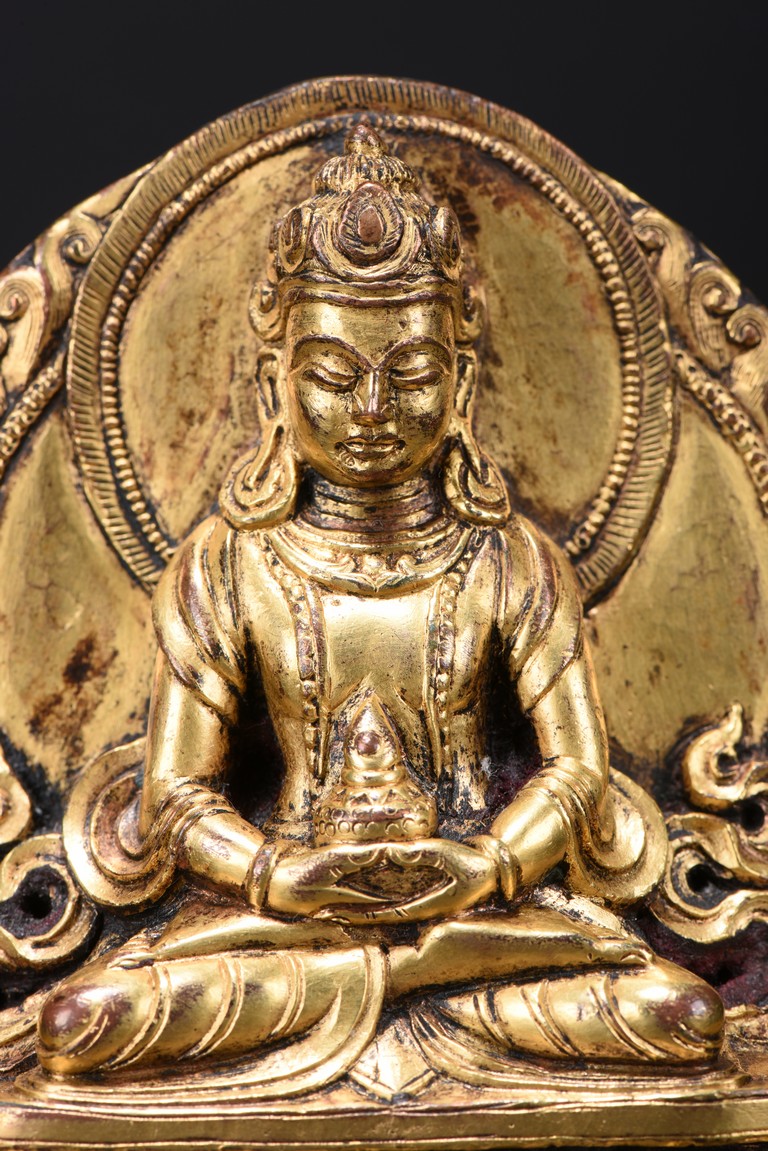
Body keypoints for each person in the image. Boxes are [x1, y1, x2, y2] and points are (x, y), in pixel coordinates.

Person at [36, 126, 723, 1087]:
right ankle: (396, 988)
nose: (370, 410)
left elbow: (577, 773)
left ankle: (396, 987)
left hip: (480, 917)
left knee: (676, 1014)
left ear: (462, 383)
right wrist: (279, 874)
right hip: (286, 921)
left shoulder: (509, 557)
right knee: (86, 1022)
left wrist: (486, 866)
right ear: (274, 384)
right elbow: (175, 797)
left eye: (409, 374)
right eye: (331, 375)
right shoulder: (227, 561)